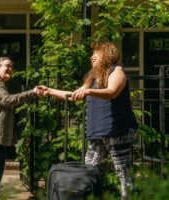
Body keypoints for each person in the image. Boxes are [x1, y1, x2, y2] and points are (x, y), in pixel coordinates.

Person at [41, 42, 138, 199]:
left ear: (107, 54)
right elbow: (75, 95)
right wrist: (49, 91)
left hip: (118, 130)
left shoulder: (117, 71)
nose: (91, 56)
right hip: (98, 132)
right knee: (88, 170)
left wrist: (88, 91)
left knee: (123, 174)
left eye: (96, 53)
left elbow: (112, 92)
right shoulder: (93, 77)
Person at [0, 56, 42, 197]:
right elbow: (7, 100)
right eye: (7, 66)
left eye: (11, 66)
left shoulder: (0, 84)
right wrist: (32, 92)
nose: (10, 69)